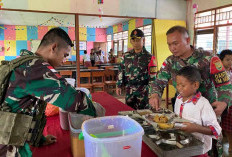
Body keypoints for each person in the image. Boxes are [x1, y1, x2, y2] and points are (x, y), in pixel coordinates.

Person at [0, 27, 96, 157]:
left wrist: (39, 140)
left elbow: (29, 107)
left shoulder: (25, 61)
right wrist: (95, 115)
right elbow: (74, 101)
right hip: (5, 142)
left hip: (8, 131)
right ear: (54, 47)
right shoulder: (36, 68)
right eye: (65, 55)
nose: (64, 61)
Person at [149, 26, 232, 157]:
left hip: (208, 109)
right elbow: (158, 81)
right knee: (185, 143)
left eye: (175, 43)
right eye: (169, 44)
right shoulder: (170, 61)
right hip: (185, 110)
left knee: (210, 147)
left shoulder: (209, 59)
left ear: (187, 40)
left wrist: (223, 102)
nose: (172, 48)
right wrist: (154, 94)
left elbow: (225, 85)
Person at [175, 66, 221, 156]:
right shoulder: (178, 99)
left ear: (195, 85)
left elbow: (216, 130)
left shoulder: (203, 104)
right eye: (177, 84)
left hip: (199, 151)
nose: (179, 88)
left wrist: (194, 128)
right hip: (182, 148)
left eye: (183, 85)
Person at [116, 28, 157, 109]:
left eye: (138, 40)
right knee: (129, 113)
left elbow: (153, 78)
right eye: (133, 40)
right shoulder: (126, 56)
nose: (135, 43)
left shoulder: (150, 57)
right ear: (131, 41)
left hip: (143, 92)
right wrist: (119, 85)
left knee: (143, 115)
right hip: (129, 91)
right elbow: (121, 70)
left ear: (143, 40)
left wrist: (152, 93)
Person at [219, 49, 232, 155]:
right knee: (226, 124)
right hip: (222, 102)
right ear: (221, 60)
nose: (230, 62)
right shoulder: (218, 73)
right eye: (227, 60)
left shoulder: (231, 71)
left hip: (230, 101)